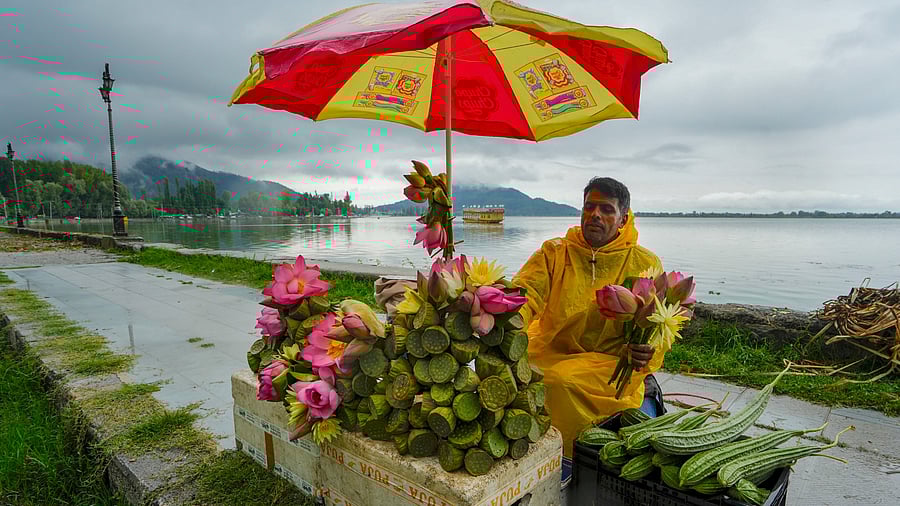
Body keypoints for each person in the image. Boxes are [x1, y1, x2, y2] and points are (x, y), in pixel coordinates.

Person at [511, 177, 667, 485]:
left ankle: (563, 465)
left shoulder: (644, 263)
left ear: (624, 218)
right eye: (589, 207)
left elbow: (659, 326)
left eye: (606, 209)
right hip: (552, 349)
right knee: (520, 372)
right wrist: (503, 320)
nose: (595, 215)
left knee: (559, 382)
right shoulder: (554, 253)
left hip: (609, 360)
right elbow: (523, 294)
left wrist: (646, 352)